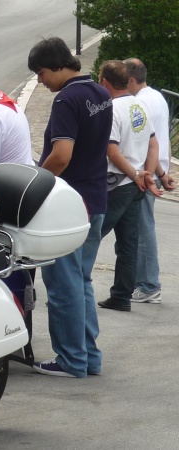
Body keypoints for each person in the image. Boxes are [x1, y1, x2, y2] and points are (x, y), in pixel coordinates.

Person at [26, 37, 112, 378]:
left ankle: (71, 360)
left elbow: (61, 156)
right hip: (96, 198)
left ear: (58, 66)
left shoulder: (67, 99)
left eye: (41, 73)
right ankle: (90, 358)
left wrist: (34, 186)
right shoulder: (100, 93)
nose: (40, 81)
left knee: (62, 285)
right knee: (82, 281)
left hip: (68, 205)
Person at [96, 60, 161, 313]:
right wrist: (146, 174)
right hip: (136, 183)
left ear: (104, 82)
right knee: (128, 244)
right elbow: (153, 143)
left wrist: (135, 174)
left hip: (117, 182)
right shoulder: (140, 105)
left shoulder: (111, 109)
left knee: (91, 236)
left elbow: (111, 150)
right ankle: (122, 295)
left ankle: (75, 289)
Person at [124, 58, 176, 304]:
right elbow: (162, 137)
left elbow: (146, 142)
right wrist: (163, 172)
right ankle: (143, 282)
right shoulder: (156, 97)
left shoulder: (139, 102)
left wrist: (155, 174)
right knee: (141, 229)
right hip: (155, 171)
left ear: (131, 79)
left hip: (145, 174)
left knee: (142, 231)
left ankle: (148, 285)